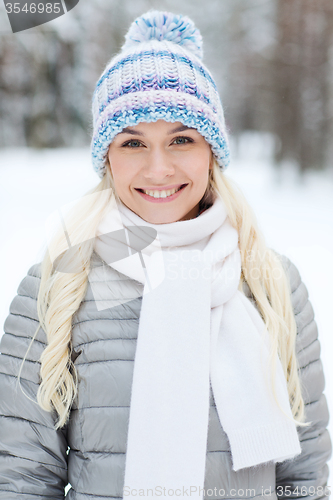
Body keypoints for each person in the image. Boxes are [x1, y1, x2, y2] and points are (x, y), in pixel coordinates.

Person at [0, 10, 331, 500]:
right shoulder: (60, 283)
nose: (159, 169)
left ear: (211, 152)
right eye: (133, 142)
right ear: (106, 158)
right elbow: (24, 478)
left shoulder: (270, 280)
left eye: (181, 139)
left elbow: (304, 477)